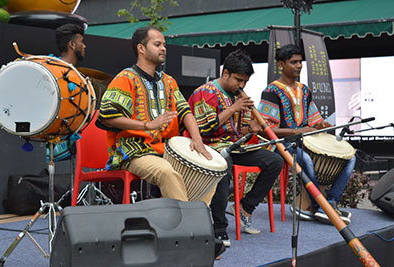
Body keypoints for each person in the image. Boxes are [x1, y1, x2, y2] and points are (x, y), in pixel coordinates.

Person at [96, 26, 212, 203]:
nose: (163, 48)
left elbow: (185, 111)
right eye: (157, 44)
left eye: (164, 44)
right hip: (133, 151)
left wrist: (197, 140)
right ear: (141, 48)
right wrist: (146, 125)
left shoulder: (168, 81)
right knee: (166, 172)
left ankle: (196, 220)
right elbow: (108, 117)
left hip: (167, 151)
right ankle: (189, 225)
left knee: (206, 171)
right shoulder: (126, 78)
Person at [188, 49, 283, 247]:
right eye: (238, 80)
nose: (241, 86)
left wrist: (255, 128)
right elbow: (203, 128)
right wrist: (232, 108)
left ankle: (244, 208)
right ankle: (220, 228)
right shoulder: (205, 92)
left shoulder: (237, 96)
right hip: (208, 147)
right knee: (225, 163)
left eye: (245, 82)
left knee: (274, 161)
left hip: (235, 147)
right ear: (226, 73)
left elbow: (243, 130)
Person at [258, 44, 356, 225]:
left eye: (300, 62)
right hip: (282, 143)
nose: (299, 66)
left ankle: (332, 202)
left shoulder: (304, 90)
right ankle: (322, 208)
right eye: (293, 62)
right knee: (308, 161)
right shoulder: (272, 91)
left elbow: (313, 120)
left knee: (350, 157)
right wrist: (296, 131)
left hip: (307, 140)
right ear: (281, 64)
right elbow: (265, 129)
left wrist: (321, 124)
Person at [45, 23, 86, 162]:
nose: (84, 46)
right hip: (55, 132)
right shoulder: (53, 73)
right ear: (72, 45)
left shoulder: (73, 75)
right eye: (82, 42)